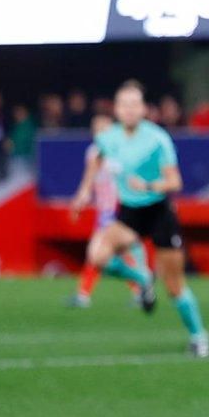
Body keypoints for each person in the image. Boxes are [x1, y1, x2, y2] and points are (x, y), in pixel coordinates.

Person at [72, 81, 209, 357]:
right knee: (97, 255)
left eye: (135, 104)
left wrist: (147, 186)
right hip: (130, 213)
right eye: (124, 105)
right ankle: (143, 278)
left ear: (144, 109)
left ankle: (199, 336)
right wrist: (84, 192)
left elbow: (175, 182)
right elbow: (96, 160)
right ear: (116, 109)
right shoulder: (108, 138)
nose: (129, 110)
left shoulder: (157, 139)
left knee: (174, 286)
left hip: (159, 212)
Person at [67, 112, 153, 309]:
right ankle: (140, 286)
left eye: (103, 129)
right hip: (104, 212)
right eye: (96, 129)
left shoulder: (121, 152)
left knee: (99, 252)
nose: (99, 133)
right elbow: (88, 181)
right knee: (112, 253)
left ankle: (85, 294)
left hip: (119, 210)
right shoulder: (93, 153)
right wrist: (80, 200)